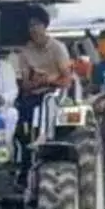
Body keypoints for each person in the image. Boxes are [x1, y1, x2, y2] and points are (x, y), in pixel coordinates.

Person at [13, 8, 72, 142]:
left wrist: (49, 81)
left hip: (56, 91)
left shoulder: (57, 48)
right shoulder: (25, 51)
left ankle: (45, 137)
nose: (33, 29)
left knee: (48, 100)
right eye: (30, 26)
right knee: (21, 108)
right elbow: (25, 84)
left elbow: (67, 80)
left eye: (37, 25)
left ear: (44, 26)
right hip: (34, 92)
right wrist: (37, 82)